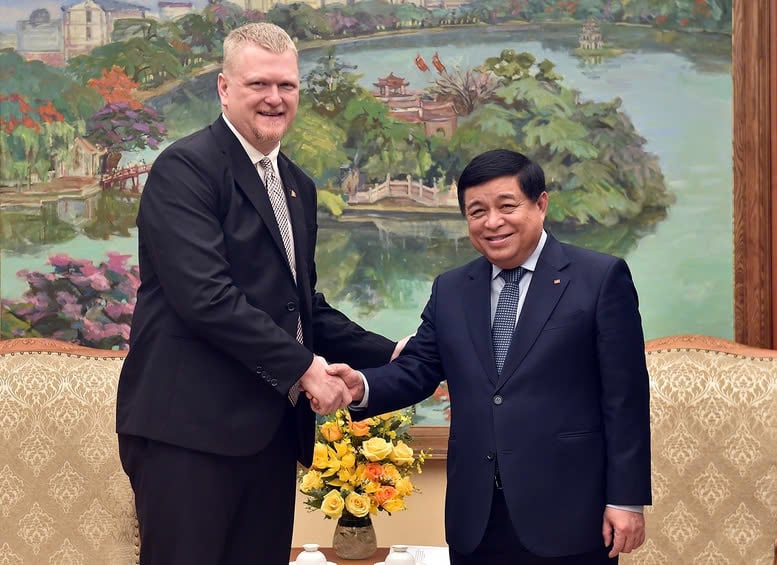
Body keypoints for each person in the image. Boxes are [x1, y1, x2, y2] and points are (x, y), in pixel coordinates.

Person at [115, 23, 400, 565]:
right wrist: (306, 369)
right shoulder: (186, 168)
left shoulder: (297, 184)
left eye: (287, 86)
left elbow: (302, 306)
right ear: (224, 88)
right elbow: (207, 297)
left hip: (269, 434)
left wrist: (393, 354)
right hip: (188, 436)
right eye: (259, 84)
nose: (275, 98)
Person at [329, 149, 652, 564]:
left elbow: (625, 398)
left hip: (569, 512)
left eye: (506, 206)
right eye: (476, 211)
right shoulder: (451, 289)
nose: (492, 222)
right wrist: (363, 385)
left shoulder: (599, 278)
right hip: (476, 517)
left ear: (540, 204)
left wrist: (626, 499)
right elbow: (419, 368)